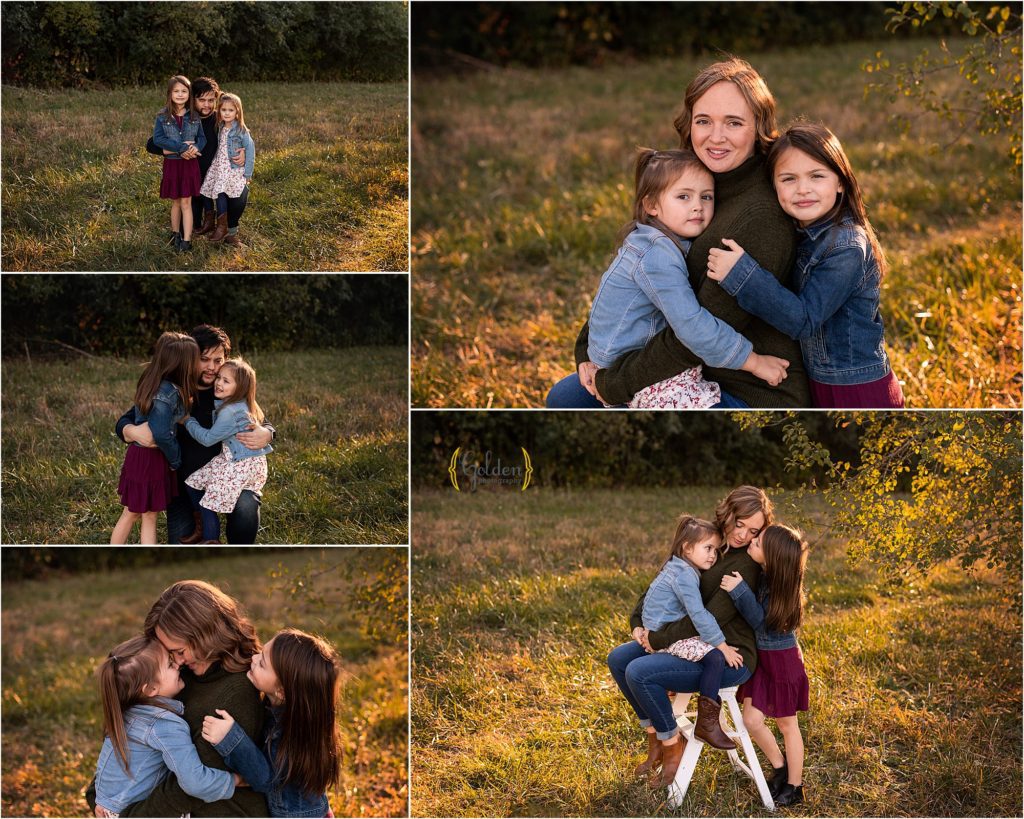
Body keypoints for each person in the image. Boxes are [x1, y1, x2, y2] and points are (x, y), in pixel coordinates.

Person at [548, 57, 811, 408]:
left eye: (733, 122)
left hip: (748, 389)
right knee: (565, 397)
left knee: (573, 404)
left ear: (759, 127)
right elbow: (635, 271)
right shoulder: (694, 184)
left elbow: (692, 335)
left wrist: (616, 383)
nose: (716, 137)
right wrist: (590, 348)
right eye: (704, 121)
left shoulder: (759, 217)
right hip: (691, 373)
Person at [706, 121, 904, 408]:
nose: (803, 189)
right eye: (788, 179)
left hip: (857, 387)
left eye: (816, 176)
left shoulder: (845, 247)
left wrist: (742, 275)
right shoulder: (806, 231)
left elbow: (804, 320)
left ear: (840, 182)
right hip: (824, 381)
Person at [583, 148, 789, 408]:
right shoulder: (655, 255)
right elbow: (691, 325)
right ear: (651, 205)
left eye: (706, 197)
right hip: (628, 368)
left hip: (631, 351)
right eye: (683, 197)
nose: (697, 206)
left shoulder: (668, 238)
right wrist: (755, 362)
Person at [608, 485, 773, 789]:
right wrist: (638, 624)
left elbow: (709, 617)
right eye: (739, 524)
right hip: (688, 642)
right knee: (619, 659)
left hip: (726, 654)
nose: (742, 535)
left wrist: (657, 639)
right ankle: (656, 739)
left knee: (639, 672)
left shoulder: (745, 564)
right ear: (728, 513)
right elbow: (664, 581)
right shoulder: (705, 540)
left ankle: (672, 746)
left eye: (753, 531)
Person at [86, 580, 269, 816]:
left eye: (179, 652)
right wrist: (101, 795)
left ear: (208, 635)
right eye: (169, 654)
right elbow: (130, 729)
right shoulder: (178, 676)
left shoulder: (237, 691)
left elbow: (190, 789)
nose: (177, 662)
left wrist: (129, 815)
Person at [115, 324, 275, 544]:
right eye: (204, 359)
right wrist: (131, 431)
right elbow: (125, 420)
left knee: (246, 505)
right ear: (190, 358)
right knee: (180, 542)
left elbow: (258, 418)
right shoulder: (173, 389)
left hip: (228, 477)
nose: (211, 368)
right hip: (183, 487)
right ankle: (204, 525)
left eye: (218, 361)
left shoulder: (227, 390)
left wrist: (267, 433)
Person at [93, 635, 240, 817]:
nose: (178, 664)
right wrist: (235, 780)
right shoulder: (164, 725)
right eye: (170, 665)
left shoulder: (125, 712)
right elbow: (194, 782)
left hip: (107, 806)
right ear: (150, 689)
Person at [201, 629, 342, 817]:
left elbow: (265, 779)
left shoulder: (290, 733)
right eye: (261, 652)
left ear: (282, 691)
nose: (254, 659)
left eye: (262, 663)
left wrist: (230, 738)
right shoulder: (299, 716)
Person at [721, 524, 810, 807]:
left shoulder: (781, 590)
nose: (752, 541)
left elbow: (762, 622)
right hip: (762, 661)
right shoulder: (764, 575)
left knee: (787, 724)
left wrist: (739, 592)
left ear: (772, 558)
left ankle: (795, 785)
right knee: (751, 720)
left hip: (782, 664)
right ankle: (780, 767)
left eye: (758, 542)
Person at [640, 515, 743, 752]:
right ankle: (707, 724)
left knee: (709, 651)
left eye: (716, 550)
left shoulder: (676, 565)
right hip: (665, 636)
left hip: (660, 630)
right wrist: (723, 646)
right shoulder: (685, 574)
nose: (713, 555)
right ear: (687, 548)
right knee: (715, 658)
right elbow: (698, 615)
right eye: (708, 548)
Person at [111, 332, 199, 545]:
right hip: (151, 459)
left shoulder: (152, 380)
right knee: (141, 515)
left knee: (135, 513)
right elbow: (159, 434)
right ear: (182, 365)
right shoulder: (166, 392)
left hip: (140, 456)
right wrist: (176, 459)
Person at [146, 77, 248, 247]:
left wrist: (243, 151)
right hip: (191, 178)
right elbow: (151, 144)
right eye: (201, 100)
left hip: (217, 176)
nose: (207, 105)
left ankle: (230, 232)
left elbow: (241, 133)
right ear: (192, 99)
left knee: (240, 192)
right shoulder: (186, 118)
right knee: (189, 220)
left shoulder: (221, 118)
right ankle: (195, 224)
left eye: (211, 100)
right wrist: (179, 149)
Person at [182, 358, 272, 544]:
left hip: (240, 464)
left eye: (226, 381)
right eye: (219, 378)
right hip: (233, 458)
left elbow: (207, 439)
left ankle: (211, 539)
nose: (218, 383)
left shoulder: (230, 412)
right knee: (193, 483)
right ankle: (202, 526)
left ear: (240, 388)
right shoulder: (241, 403)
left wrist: (187, 420)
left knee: (207, 502)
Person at [152, 76, 206, 252]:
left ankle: (187, 240)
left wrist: (195, 147)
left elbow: (202, 138)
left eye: (184, 91)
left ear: (189, 94)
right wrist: (182, 147)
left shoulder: (194, 116)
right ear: (170, 93)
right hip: (173, 165)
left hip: (190, 165)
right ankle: (175, 233)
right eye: (176, 91)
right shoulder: (162, 116)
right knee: (175, 201)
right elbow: (158, 139)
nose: (180, 94)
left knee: (186, 202)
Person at [199, 93, 255, 244]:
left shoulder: (241, 131)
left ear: (238, 112)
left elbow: (250, 151)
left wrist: (248, 173)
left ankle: (223, 228)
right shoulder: (221, 126)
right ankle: (212, 222)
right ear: (219, 111)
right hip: (219, 166)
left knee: (223, 193)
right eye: (224, 110)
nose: (227, 113)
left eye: (231, 110)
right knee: (207, 190)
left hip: (232, 169)